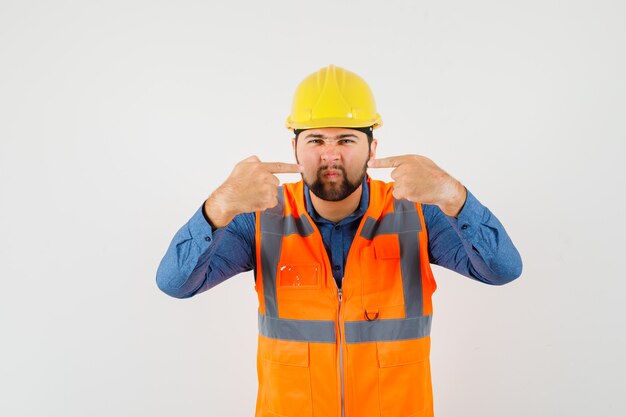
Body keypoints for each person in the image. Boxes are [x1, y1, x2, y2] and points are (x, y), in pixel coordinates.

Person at [156, 64, 523, 417]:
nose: (330, 154)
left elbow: (503, 269)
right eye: (316, 139)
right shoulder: (260, 218)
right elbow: (175, 283)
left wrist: (453, 196)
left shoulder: (417, 213)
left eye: (346, 140)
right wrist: (219, 206)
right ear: (295, 149)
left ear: (372, 149)